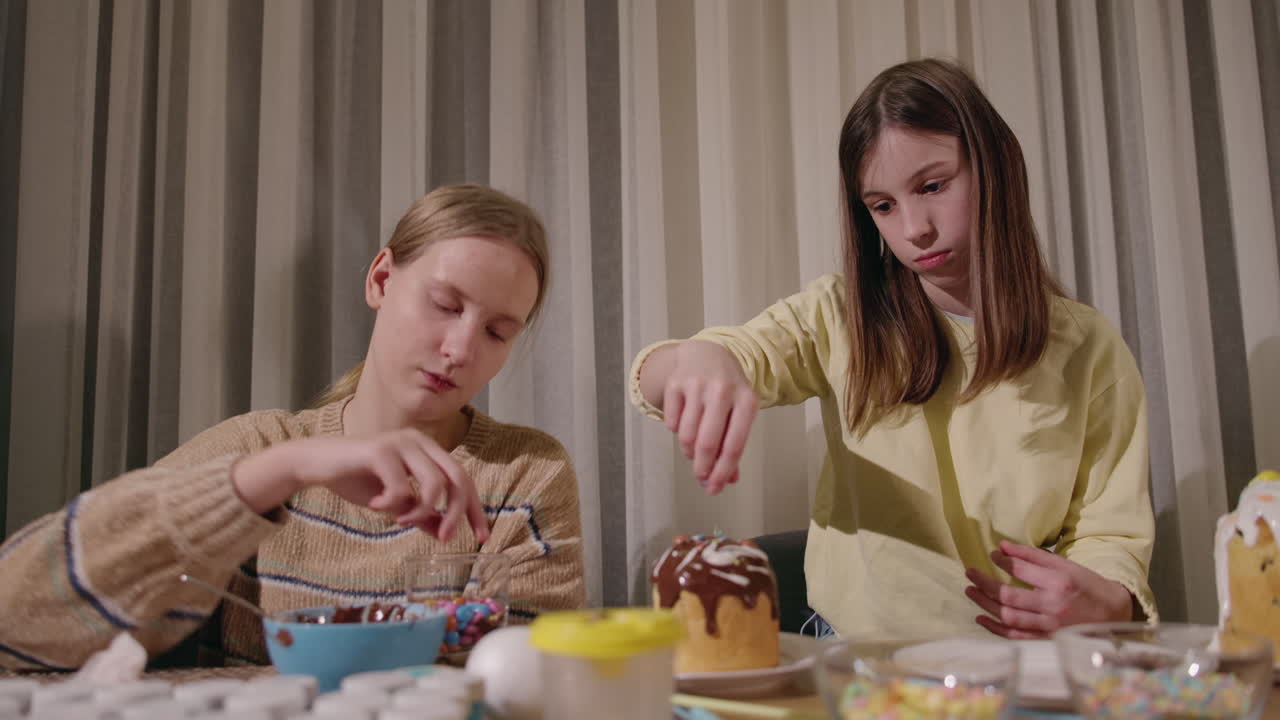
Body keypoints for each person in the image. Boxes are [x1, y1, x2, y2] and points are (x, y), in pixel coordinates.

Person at [630, 58, 1156, 641]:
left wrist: (1108, 600)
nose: (915, 229)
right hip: (855, 657)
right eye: (883, 205)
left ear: (996, 166)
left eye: (933, 187)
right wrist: (699, 361)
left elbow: (1110, 529)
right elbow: (706, 361)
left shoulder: (1088, 346)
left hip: (1019, 661)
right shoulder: (840, 316)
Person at [0, 184, 586, 669]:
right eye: (446, 305)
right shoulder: (258, 452)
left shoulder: (525, 477)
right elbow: (18, 619)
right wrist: (283, 472)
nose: (460, 348)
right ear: (381, 280)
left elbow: (530, 684)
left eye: (497, 332)